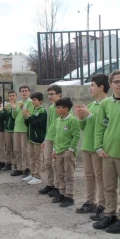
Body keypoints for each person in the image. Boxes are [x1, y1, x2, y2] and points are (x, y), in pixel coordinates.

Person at [74, 74, 109, 220]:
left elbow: (103, 126)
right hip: (87, 146)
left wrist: (88, 115)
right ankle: (90, 202)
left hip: (98, 147)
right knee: (89, 176)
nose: (90, 88)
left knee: (101, 178)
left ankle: (103, 205)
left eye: (92, 85)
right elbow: (84, 127)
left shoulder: (107, 104)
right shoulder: (92, 105)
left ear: (101, 87)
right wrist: (81, 117)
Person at [93, 70, 120, 234]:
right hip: (108, 153)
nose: (119, 84)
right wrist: (98, 146)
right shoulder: (105, 104)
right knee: (109, 187)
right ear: (111, 84)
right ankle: (110, 214)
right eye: (116, 81)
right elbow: (99, 127)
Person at [51, 97, 80, 207]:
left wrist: (70, 150)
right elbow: (56, 137)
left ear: (66, 109)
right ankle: (61, 193)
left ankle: (69, 196)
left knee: (69, 175)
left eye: (58, 107)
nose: (56, 110)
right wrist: (54, 149)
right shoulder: (58, 120)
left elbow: (76, 136)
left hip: (67, 152)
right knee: (60, 174)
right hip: (58, 151)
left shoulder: (72, 120)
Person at [39, 85, 62, 197]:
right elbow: (50, 125)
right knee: (47, 162)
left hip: (58, 139)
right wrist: (45, 139)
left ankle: (58, 187)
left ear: (59, 95)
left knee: (56, 164)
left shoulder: (63, 107)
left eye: (52, 94)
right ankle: (50, 184)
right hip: (49, 138)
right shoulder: (51, 107)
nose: (49, 96)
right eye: (48, 94)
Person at [23, 92, 47, 185]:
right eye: (32, 99)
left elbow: (38, 124)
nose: (33, 101)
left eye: (35, 100)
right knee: (31, 156)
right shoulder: (33, 110)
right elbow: (28, 123)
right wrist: (26, 117)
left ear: (40, 101)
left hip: (38, 138)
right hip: (31, 137)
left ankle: (38, 176)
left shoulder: (42, 111)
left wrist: (29, 116)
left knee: (37, 157)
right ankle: (32, 173)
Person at [11, 85, 34, 177]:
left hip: (24, 129)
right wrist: (13, 109)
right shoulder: (18, 102)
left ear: (29, 92)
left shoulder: (31, 102)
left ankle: (27, 168)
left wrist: (21, 108)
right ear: (20, 93)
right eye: (22, 91)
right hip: (16, 129)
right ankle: (20, 167)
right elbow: (14, 116)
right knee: (17, 149)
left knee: (25, 150)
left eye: (26, 91)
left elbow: (29, 114)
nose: (24, 92)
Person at [3, 91, 16, 171]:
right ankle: (8, 163)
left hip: (15, 130)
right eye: (10, 96)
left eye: (13, 95)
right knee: (8, 147)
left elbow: (14, 117)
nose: (11, 97)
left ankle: (16, 164)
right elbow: (5, 117)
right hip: (7, 130)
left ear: (16, 96)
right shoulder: (6, 106)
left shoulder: (17, 105)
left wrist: (12, 109)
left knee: (15, 148)